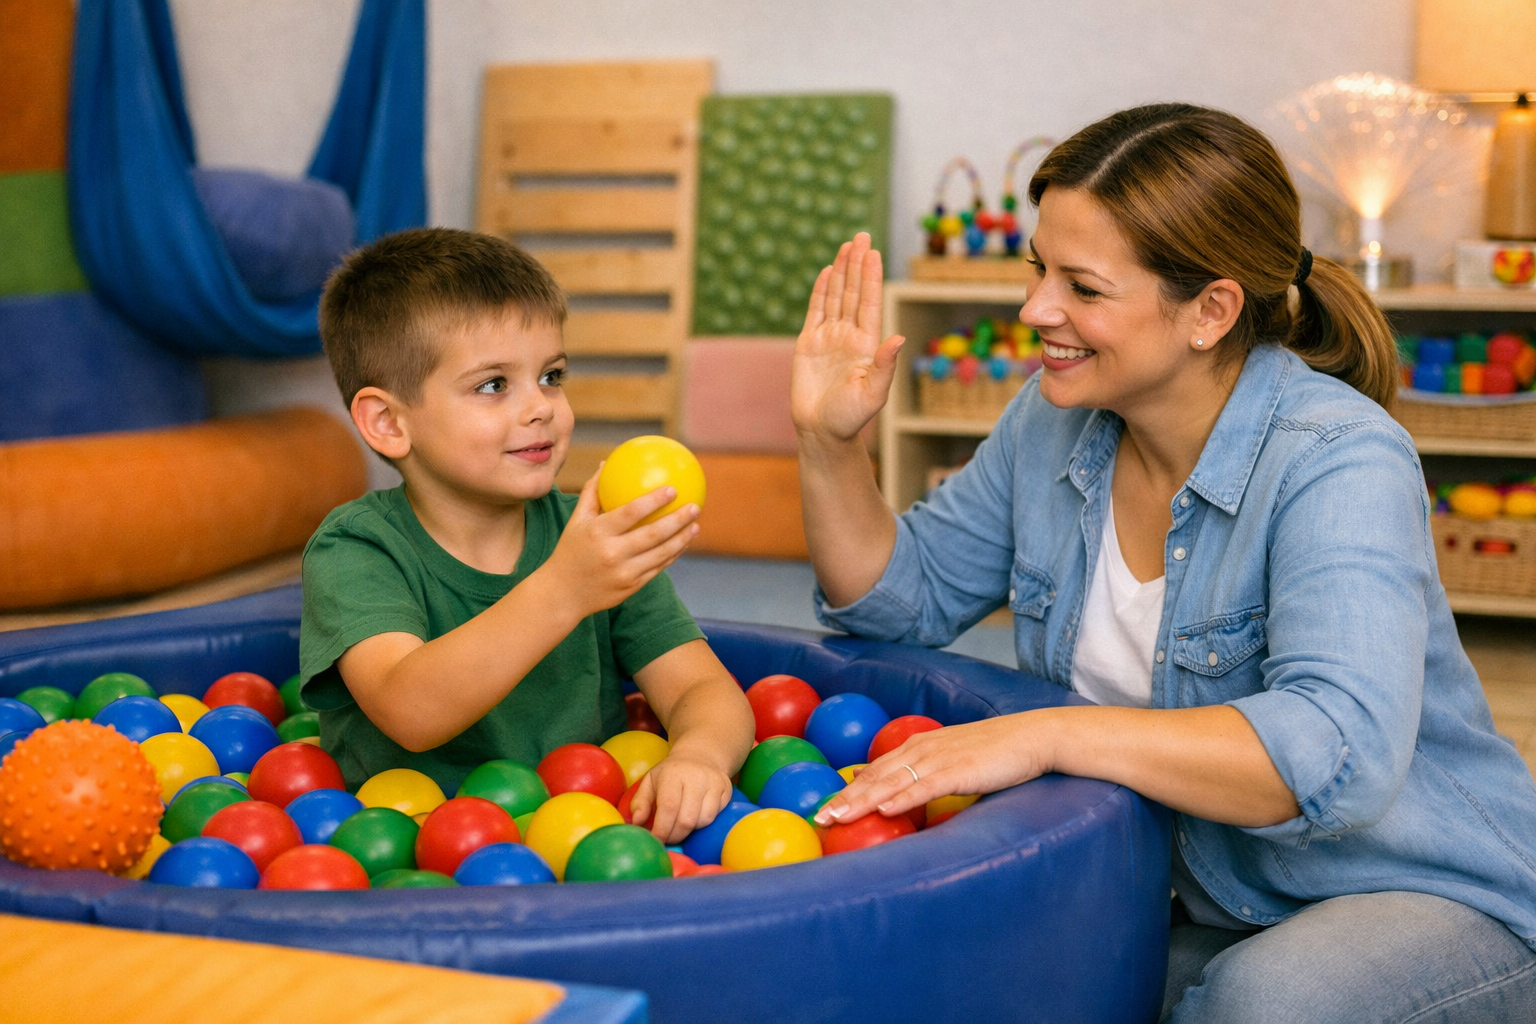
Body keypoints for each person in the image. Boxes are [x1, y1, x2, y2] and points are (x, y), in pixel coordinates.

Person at [796, 105, 1536, 1022]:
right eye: (1038, 270)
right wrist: (830, 446)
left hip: (1414, 890)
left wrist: (1052, 732)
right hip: (1199, 890)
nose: (1036, 310)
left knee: (1263, 1005)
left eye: (1084, 287)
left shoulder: (1338, 458)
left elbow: (1333, 753)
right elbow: (897, 603)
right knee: (983, 977)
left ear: (1210, 311)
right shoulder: (1051, 419)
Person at [298, 227, 753, 844]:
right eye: (493, 385)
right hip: (404, 850)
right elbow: (410, 709)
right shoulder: (358, 548)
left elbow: (703, 688)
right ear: (388, 422)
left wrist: (699, 756)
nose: (541, 407)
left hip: (587, 839)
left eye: (552, 375)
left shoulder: (587, 537)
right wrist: (565, 589)